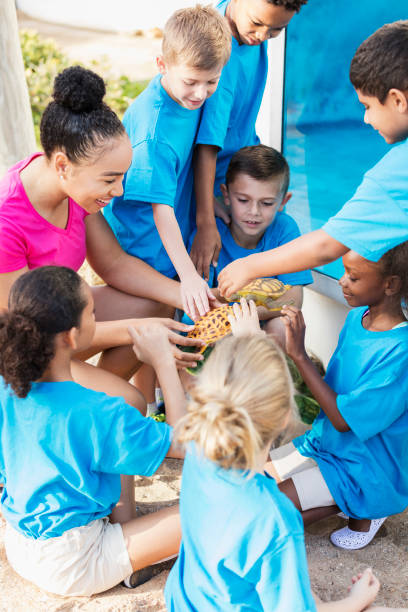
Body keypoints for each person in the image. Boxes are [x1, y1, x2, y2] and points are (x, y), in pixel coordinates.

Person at [164, 299, 397, 611]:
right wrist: (356, 601)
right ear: (287, 416)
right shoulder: (274, 519)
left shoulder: (198, 455)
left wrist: (247, 345)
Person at [0, 65, 203, 401]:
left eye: (122, 176)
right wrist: (141, 332)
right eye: (110, 179)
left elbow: (114, 264)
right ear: (64, 165)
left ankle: (87, 406)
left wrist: (189, 296)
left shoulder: (72, 187)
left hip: (61, 326)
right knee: (130, 403)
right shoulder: (7, 223)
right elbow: (25, 336)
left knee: (156, 303)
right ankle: (71, 409)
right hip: (21, 350)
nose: (119, 190)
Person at [0, 266, 187, 597]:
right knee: (213, 504)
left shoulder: (7, 388)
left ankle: (125, 529)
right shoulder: (99, 412)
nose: (97, 319)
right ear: (71, 336)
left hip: (20, 542)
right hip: (74, 562)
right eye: (93, 313)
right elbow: (185, 444)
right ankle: (128, 555)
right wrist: (163, 365)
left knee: (107, 451)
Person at [217, 20, 408, 298]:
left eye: (367, 106)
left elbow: (327, 246)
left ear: (397, 101)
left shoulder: (395, 174)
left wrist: (250, 265)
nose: (366, 118)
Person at [269, 243, 408, 549]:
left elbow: (345, 420)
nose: (342, 281)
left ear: (391, 285)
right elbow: (334, 389)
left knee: (267, 512)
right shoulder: (357, 317)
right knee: (252, 484)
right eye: (344, 272)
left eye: (353, 277)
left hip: (366, 466)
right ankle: (346, 501)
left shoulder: (401, 352)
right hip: (326, 443)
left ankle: (367, 508)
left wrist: (300, 357)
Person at [104, 5, 231, 320]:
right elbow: (159, 211)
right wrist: (188, 276)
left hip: (167, 236)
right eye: (192, 82)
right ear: (162, 65)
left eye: (211, 82)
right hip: (142, 244)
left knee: (158, 331)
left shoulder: (185, 92)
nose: (201, 93)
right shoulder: (154, 133)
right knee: (148, 324)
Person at [191, 0, 307, 282]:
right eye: (257, 23)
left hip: (234, 174)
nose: (262, 36)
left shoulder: (250, 31)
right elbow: (208, 143)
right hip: (210, 182)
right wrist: (205, 218)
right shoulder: (220, 50)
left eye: (276, 30)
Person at [188, 144, 312, 345]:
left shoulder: (285, 229)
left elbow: (293, 300)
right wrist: (259, 298)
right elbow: (201, 304)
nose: (254, 211)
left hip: (259, 326)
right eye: (244, 200)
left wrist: (244, 316)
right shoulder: (209, 236)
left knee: (283, 326)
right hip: (219, 327)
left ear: (283, 201)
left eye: (267, 203)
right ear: (226, 195)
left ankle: (269, 375)